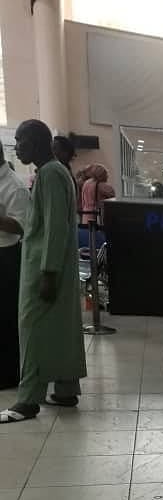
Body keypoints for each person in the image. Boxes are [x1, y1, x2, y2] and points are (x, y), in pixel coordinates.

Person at [0, 121, 86, 423]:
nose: (17, 147)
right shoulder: (55, 172)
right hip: (55, 265)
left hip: (43, 267)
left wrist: (48, 272)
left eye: (21, 140)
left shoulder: (50, 174)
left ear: (37, 142)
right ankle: (65, 389)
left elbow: (54, 227)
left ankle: (28, 400)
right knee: (62, 328)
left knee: (32, 330)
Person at [0, 141, 31, 390]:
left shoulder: (14, 186)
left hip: (7, 256)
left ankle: (9, 374)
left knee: (7, 318)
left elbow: (22, 226)